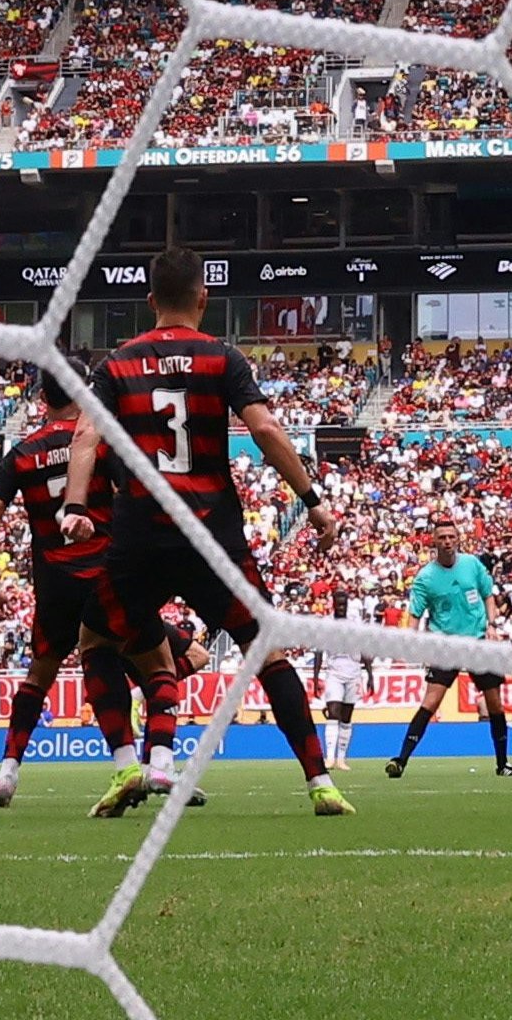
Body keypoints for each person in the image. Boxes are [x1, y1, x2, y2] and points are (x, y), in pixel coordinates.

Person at [63, 246, 349, 819]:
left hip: (140, 533)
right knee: (264, 649)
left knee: (94, 642)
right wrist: (313, 500)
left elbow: (85, 437)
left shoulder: (117, 363)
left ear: (149, 302)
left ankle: (125, 765)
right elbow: (264, 427)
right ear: (203, 298)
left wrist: (74, 505)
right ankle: (321, 783)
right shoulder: (223, 358)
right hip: (212, 535)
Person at [0, 369, 138, 807]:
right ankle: (150, 765)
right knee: (154, 659)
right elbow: (130, 496)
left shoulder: (23, 452)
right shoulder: (98, 441)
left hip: (53, 580)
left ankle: (6, 773)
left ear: (42, 397)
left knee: (39, 675)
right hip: (102, 571)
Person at [386, 522, 512, 777]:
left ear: (458, 539)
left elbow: (488, 595)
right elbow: (415, 615)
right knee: (430, 702)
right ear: (434, 541)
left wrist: (492, 624)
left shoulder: (472, 565)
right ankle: (400, 760)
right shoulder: (425, 577)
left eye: (451, 536)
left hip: (478, 641)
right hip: (445, 646)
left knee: (495, 705)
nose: (447, 541)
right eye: (442, 537)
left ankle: (503, 764)